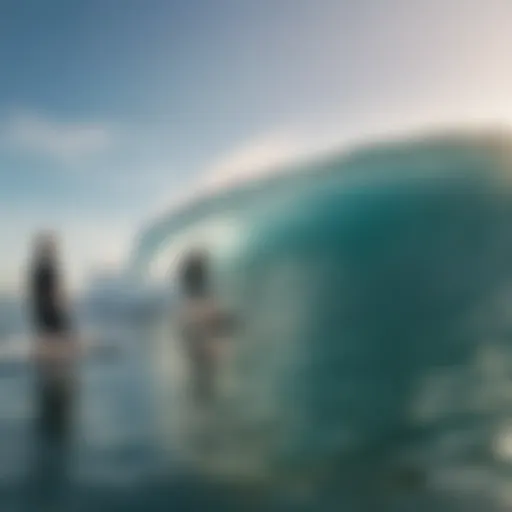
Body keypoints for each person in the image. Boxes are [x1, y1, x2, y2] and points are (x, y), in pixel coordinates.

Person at [29, 232, 77, 441]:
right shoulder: (48, 267)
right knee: (61, 373)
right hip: (51, 315)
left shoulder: (39, 267)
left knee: (53, 339)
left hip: (43, 314)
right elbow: (56, 293)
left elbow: (37, 294)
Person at [177, 249, 233, 406]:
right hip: (204, 351)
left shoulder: (187, 307)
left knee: (201, 387)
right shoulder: (205, 304)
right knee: (207, 388)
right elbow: (221, 324)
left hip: (197, 350)